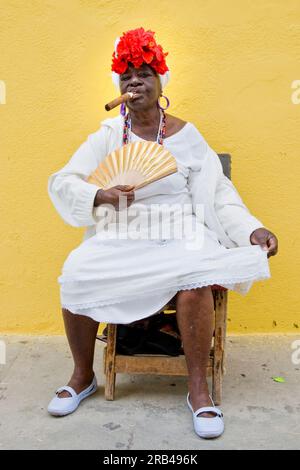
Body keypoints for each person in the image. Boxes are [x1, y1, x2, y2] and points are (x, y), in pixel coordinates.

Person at [47, 27, 278, 439]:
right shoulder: (106, 136)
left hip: (180, 230)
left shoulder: (186, 136)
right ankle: (83, 376)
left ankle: (198, 389)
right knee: (76, 272)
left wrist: (251, 230)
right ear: (119, 86)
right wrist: (100, 193)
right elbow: (64, 181)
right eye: (126, 75)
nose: (134, 81)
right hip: (123, 231)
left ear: (160, 83)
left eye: (144, 73)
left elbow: (219, 194)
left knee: (195, 280)